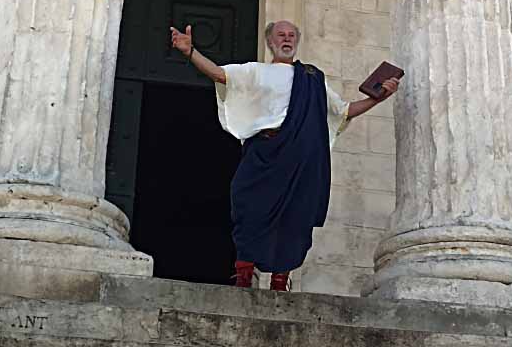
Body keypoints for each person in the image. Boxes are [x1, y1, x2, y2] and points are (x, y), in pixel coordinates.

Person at [169, 20, 400, 291]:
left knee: (296, 215)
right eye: (281, 35)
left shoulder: (313, 78)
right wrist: (190, 51)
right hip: (264, 150)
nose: (287, 39)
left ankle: (281, 279)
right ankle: (244, 272)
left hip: (301, 157)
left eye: (291, 35)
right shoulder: (255, 71)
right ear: (270, 41)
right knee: (248, 206)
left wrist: (380, 97)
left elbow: (344, 111)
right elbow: (220, 75)